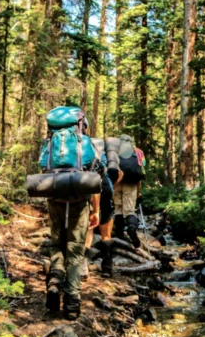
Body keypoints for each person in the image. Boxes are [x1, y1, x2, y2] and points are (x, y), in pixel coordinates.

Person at [39, 106, 102, 321]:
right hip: (78, 201)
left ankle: (55, 280)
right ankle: (72, 304)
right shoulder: (85, 143)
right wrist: (96, 210)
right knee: (75, 251)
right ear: (81, 124)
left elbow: (42, 168)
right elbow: (96, 179)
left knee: (57, 243)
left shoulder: (50, 142)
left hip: (55, 198)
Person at [84, 138, 123, 278]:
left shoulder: (82, 155)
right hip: (106, 188)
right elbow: (120, 174)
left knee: (89, 227)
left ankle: (84, 266)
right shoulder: (106, 156)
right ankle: (107, 267)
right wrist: (112, 187)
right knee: (106, 234)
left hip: (88, 186)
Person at [114, 134, 146, 248]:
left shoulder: (114, 150)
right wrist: (138, 192)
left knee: (118, 209)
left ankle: (119, 235)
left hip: (116, 182)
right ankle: (132, 230)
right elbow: (141, 171)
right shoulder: (138, 151)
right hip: (131, 184)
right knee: (129, 210)